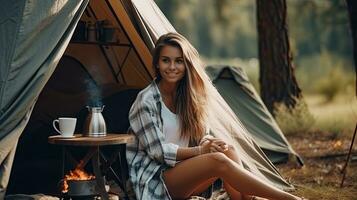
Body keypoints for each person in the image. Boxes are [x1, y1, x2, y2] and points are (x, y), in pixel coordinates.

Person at [126, 32, 305, 200]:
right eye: (166, 60)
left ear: (186, 64)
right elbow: (160, 153)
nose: (172, 67)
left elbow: (201, 136)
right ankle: (288, 199)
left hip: (181, 173)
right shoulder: (146, 101)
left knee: (227, 151)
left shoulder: (188, 96)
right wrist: (201, 151)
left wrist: (209, 143)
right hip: (156, 182)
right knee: (217, 160)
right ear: (157, 63)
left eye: (179, 61)